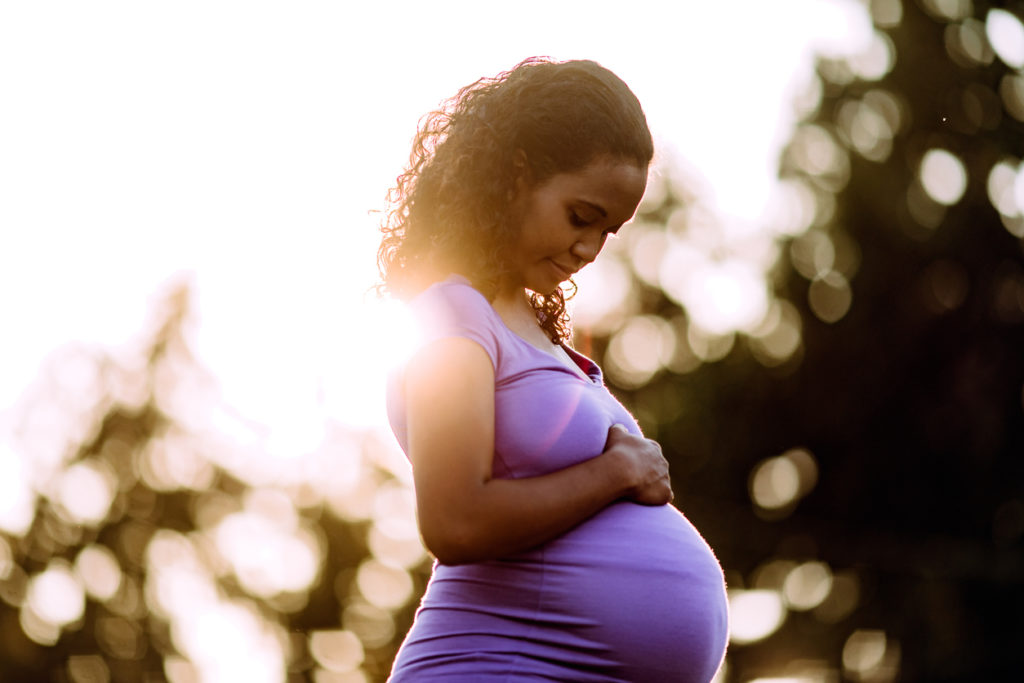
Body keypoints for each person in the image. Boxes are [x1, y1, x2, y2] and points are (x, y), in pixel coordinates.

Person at [378, 57, 729, 682]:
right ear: (516, 177)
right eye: (580, 216)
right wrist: (616, 470)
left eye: (608, 231)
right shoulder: (453, 314)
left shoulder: (530, 330)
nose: (589, 249)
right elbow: (453, 520)